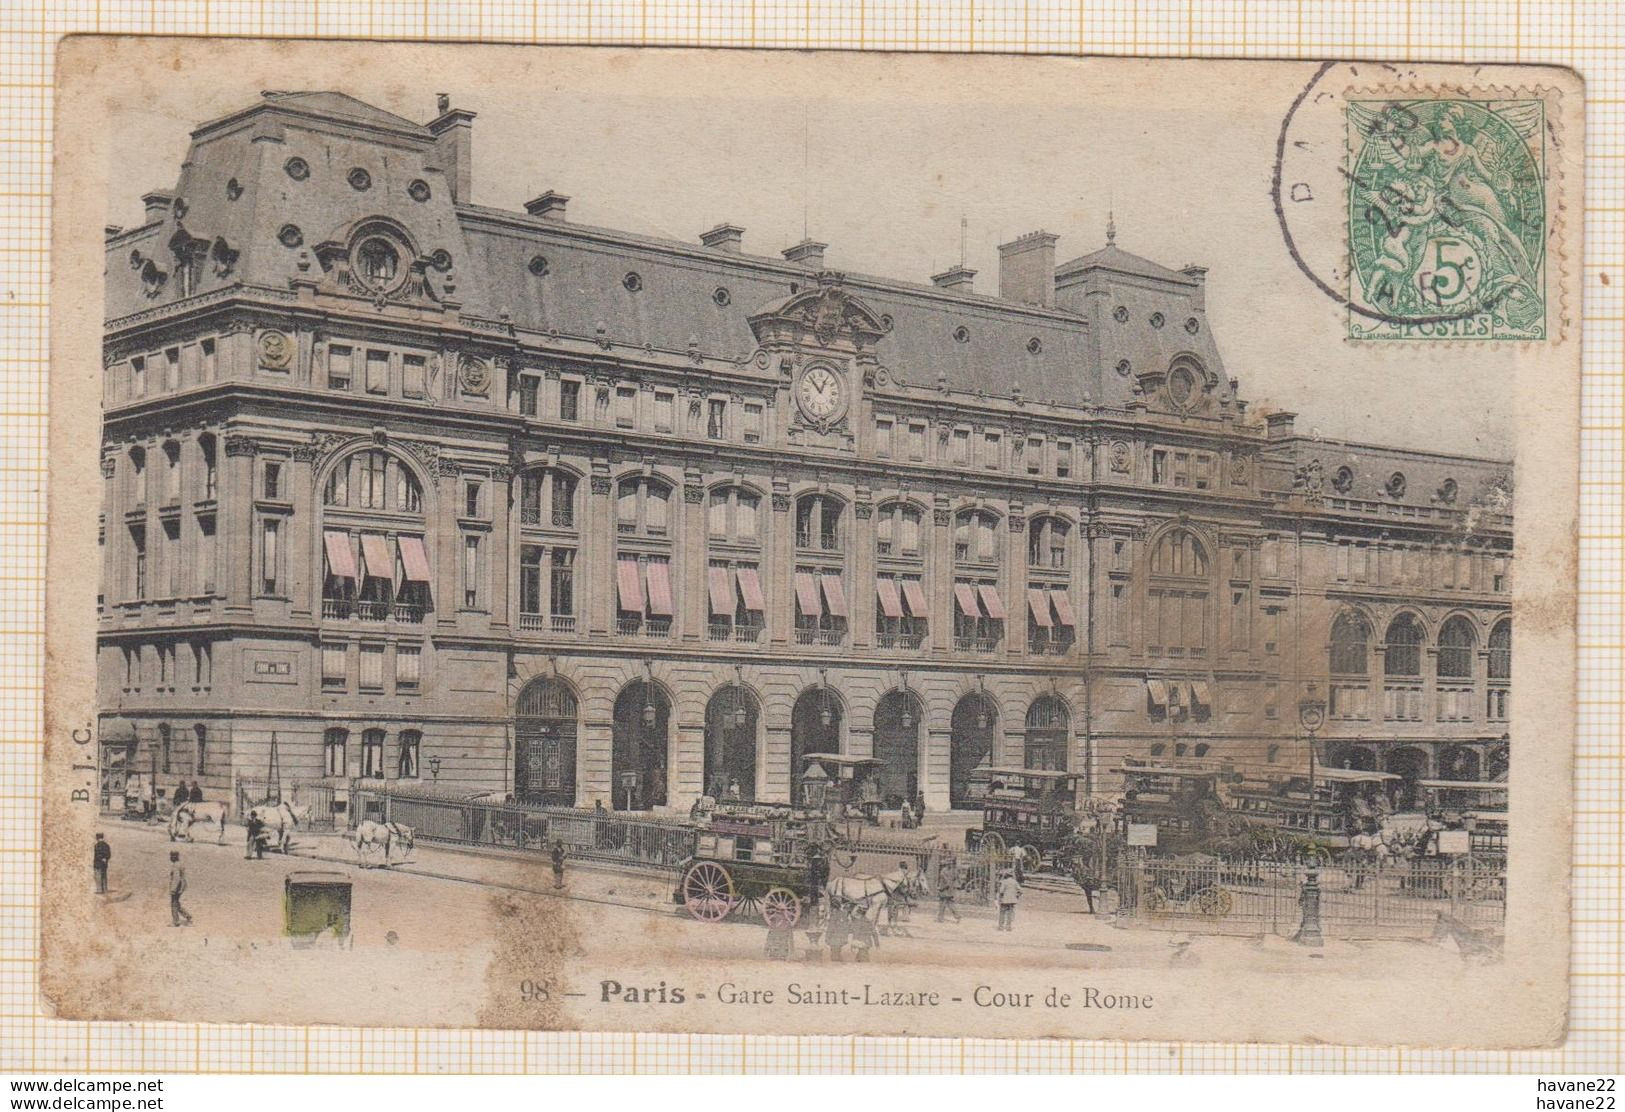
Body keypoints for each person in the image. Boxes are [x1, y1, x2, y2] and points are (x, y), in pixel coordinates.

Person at [168, 851, 192, 927]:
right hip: (182, 886)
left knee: (173, 904)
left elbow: (176, 878)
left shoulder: (175, 866)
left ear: (174, 857)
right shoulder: (180, 864)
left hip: (177, 887)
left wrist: (173, 889)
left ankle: (176, 921)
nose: (170, 858)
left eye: (171, 856)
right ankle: (187, 915)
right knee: (176, 903)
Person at [936, 855, 961, 923]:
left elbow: (944, 879)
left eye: (949, 862)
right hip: (949, 889)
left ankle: (940, 918)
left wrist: (941, 887)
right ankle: (957, 915)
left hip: (945, 889)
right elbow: (957, 878)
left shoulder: (944, 870)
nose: (949, 863)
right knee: (950, 903)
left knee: (942, 904)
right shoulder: (954, 870)